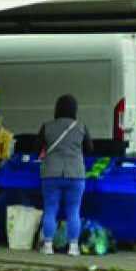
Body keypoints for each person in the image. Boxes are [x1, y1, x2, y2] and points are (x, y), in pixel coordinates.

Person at [38, 94, 93, 256]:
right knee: (73, 211)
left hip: (51, 174)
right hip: (75, 174)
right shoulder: (81, 127)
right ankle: (73, 247)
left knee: (50, 209)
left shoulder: (47, 126)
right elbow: (90, 148)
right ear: (74, 109)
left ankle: (48, 246)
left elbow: (36, 146)